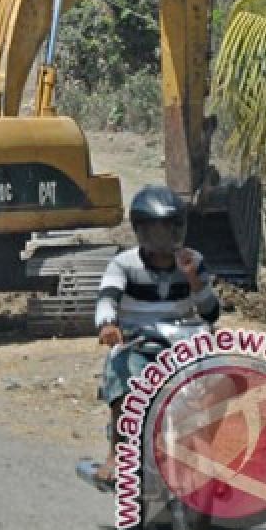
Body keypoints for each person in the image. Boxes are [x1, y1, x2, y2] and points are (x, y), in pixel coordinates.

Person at [77, 185, 221, 490]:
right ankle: (116, 454)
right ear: (140, 230)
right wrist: (107, 326)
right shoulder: (124, 263)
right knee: (122, 384)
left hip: (183, 340)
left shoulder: (193, 260)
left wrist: (195, 280)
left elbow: (210, 312)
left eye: (169, 228)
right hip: (136, 339)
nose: (163, 238)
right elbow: (107, 297)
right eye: (155, 230)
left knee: (217, 387)